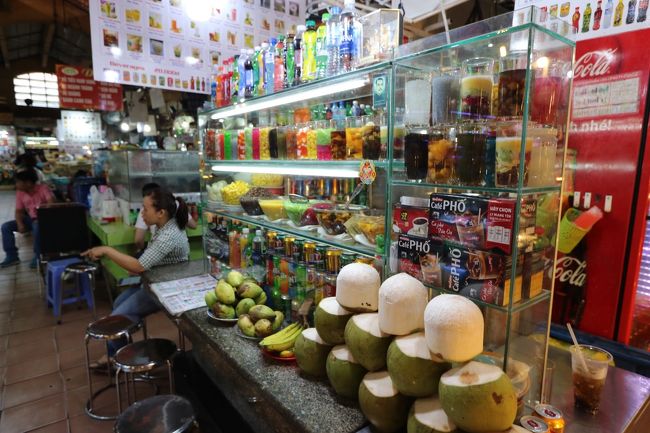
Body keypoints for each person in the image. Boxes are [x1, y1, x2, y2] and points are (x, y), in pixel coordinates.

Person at [82, 187, 190, 368]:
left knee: (117, 316)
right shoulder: (162, 225)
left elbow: (139, 266)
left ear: (161, 212)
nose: (142, 213)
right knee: (118, 303)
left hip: (166, 289)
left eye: (145, 209)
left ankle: (123, 359)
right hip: (153, 282)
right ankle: (122, 352)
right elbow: (146, 260)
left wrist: (107, 250)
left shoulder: (169, 235)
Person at [1, 168, 55, 268]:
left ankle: (38, 256)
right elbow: (19, 211)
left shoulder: (43, 189)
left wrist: (42, 217)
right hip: (31, 219)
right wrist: (20, 223)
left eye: (18, 182)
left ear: (28, 183)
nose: (16, 184)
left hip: (45, 219)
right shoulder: (20, 193)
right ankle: (12, 256)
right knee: (6, 227)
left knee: (37, 225)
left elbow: (51, 204)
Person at [133, 182, 197, 251]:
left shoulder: (166, 237)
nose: (143, 213)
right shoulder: (175, 204)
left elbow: (138, 240)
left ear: (161, 213)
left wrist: (143, 251)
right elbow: (193, 225)